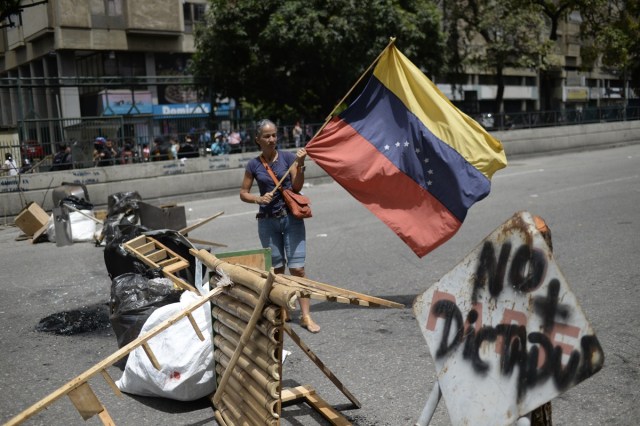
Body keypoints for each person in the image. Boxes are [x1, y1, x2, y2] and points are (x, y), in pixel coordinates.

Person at [239, 119, 320, 333]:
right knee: (276, 269)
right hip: (267, 221)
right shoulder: (253, 165)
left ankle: (306, 316)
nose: (272, 139)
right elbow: (243, 193)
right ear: (258, 139)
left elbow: (296, 186)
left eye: (274, 135)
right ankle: (283, 310)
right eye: (267, 136)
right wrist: (258, 199)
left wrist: (300, 164)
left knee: (298, 268)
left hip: (291, 218)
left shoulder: (288, 158)